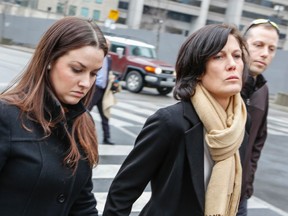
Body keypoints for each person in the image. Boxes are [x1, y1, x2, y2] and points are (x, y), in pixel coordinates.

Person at [103, 23, 250, 216]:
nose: (232, 64)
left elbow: (237, 197)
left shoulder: (238, 125)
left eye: (237, 56)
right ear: (197, 68)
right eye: (218, 56)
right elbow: (123, 191)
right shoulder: (170, 122)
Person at [0, 16, 108, 215]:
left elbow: (83, 204)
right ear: (49, 59)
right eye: (77, 69)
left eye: (94, 74)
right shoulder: (6, 115)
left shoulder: (83, 122)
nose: (86, 82)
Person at [237, 19, 280, 216]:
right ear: (242, 45)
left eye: (272, 49)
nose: (265, 53)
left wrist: (247, 181)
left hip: (239, 196)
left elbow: (258, 141)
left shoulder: (262, 89)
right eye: (258, 45)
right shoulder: (223, 81)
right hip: (205, 190)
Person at [88, 38, 115, 145]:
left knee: (105, 115)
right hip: (95, 89)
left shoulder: (109, 59)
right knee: (85, 112)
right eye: (105, 45)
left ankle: (107, 138)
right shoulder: (96, 57)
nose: (107, 47)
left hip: (104, 90)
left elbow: (108, 73)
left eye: (109, 46)